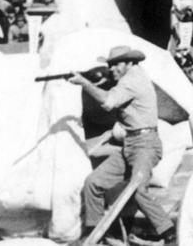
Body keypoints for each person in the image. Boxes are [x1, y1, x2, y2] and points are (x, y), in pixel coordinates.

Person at [70, 46, 175, 245]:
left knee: (137, 188)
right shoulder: (133, 76)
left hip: (145, 145)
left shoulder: (132, 81)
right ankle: (96, 232)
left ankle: (169, 233)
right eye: (110, 65)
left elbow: (109, 102)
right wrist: (101, 81)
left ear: (130, 63)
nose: (112, 69)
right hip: (131, 145)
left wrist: (85, 83)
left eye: (117, 64)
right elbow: (116, 87)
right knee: (93, 183)